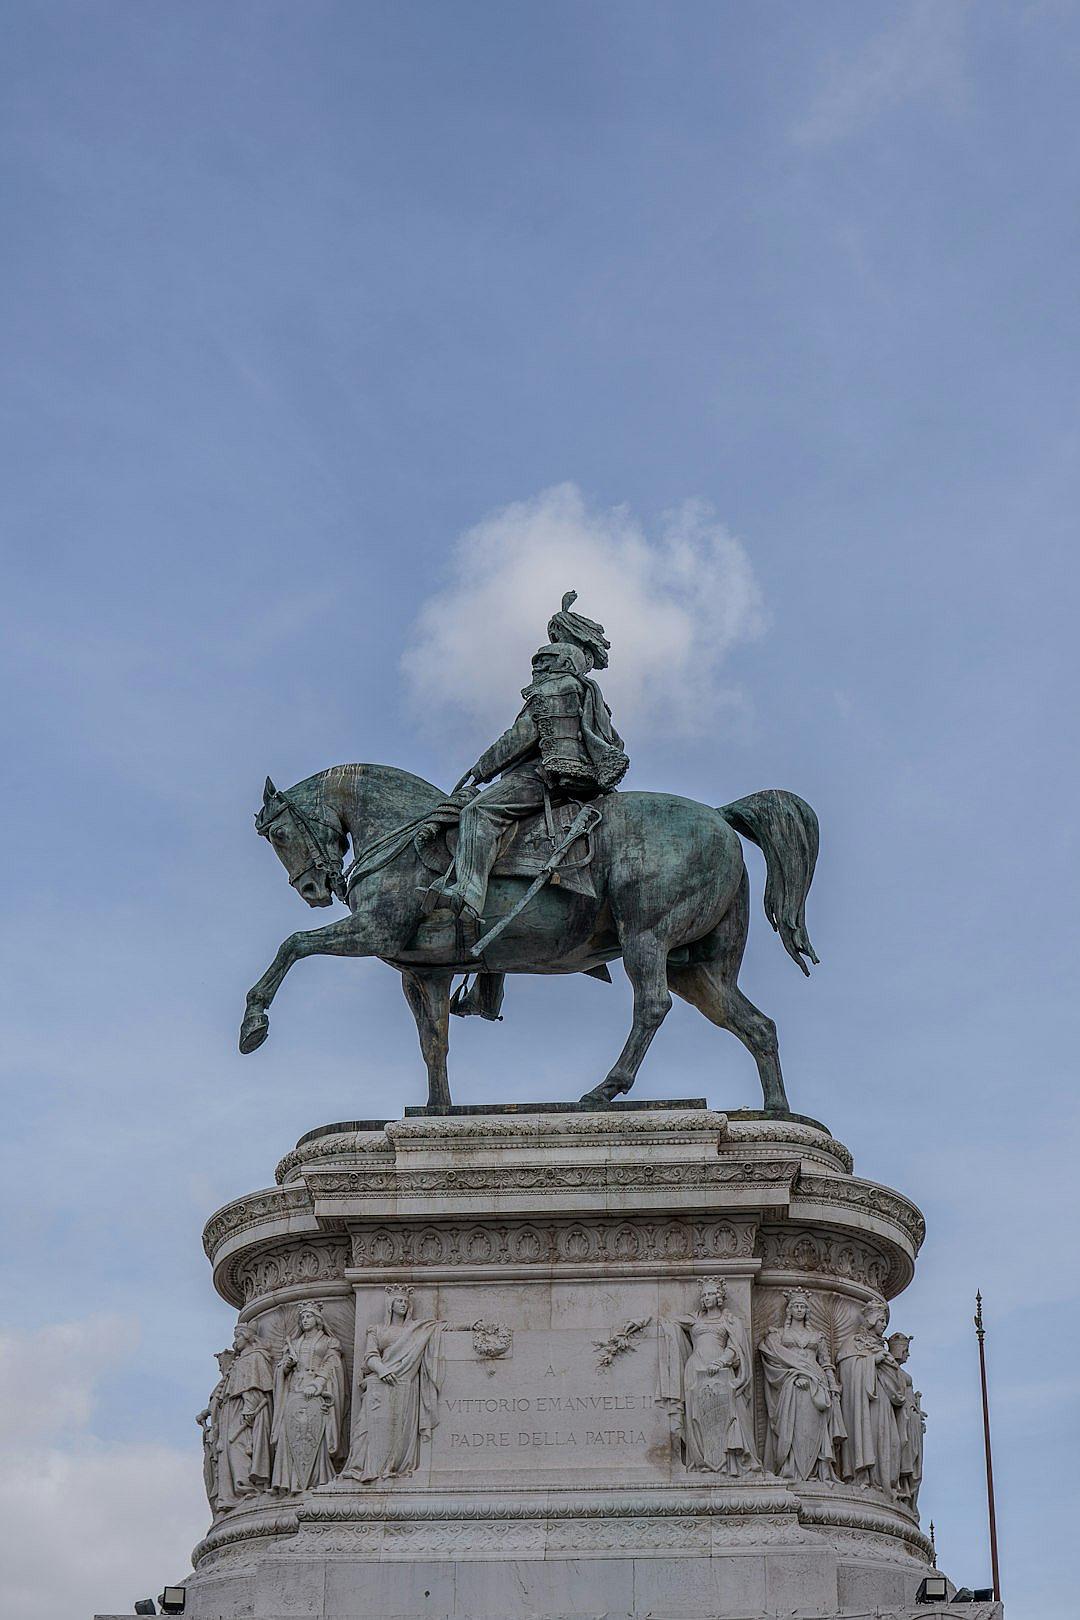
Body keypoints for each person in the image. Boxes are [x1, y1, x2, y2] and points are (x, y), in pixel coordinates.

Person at [432, 593, 628, 923]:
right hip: (582, 779)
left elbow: (521, 737)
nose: (537, 667)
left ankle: (468, 891)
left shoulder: (554, 687)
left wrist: (480, 769)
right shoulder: (584, 689)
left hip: (548, 775)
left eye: (541, 661)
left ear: (558, 659)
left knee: (478, 811)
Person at [658, 1279, 759, 1475]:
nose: (706, 1298)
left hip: (720, 1370)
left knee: (728, 1413)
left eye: (710, 1294)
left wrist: (721, 1362)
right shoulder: (695, 1318)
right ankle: (701, 1460)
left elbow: (735, 1347)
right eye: (703, 1295)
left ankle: (728, 1462)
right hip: (695, 1368)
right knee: (696, 1415)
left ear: (719, 1297)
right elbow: (669, 1323)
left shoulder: (729, 1321)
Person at [344, 1285, 444, 1481]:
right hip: (380, 1384)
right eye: (399, 1301)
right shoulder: (377, 1330)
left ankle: (393, 1467)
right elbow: (370, 1356)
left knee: (399, 1431)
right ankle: (361, 1466)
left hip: (405, 1384)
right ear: (390, 1304)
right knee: (363, 1429)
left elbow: (442, 1328)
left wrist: (470, 1326)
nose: (403, 1305)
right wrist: (382, 1369)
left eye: (406, 1302)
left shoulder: (416, 1328)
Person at [759, 1288, 846, 1482]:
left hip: (817, 1383)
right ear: (789, 1310)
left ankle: (816, 1471)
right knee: (794, 1428)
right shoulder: (778, 1335)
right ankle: (791, 1469)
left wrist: (832, 1386)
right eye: (796, 1306)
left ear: (807, 1311)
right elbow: (773, 1360)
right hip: (791, 1386)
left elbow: (825, 1363)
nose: (799, 1309)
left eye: (802, 1306)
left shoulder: (818, 1336)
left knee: (814, 1428)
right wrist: (792, 1375)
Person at [271, 1301, 346, 1493]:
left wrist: (318, 1383)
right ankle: (289, 1482)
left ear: (318, 1320)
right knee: (290, 1434)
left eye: (309, 1316)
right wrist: (287, 1365)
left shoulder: (329, 1342)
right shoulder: (294, 1344)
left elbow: (333, 1364)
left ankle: (318, 1479)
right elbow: (281, 1371)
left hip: (316, 1393)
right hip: (295, 1392)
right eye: (302, 1317)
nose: (305, 1320)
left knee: (314, 1435)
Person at [216, 1323, 274, 1509]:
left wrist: (249, 1409)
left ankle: (246, 1487)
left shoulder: (255, 1358)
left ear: (247, 1337)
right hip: (233, 1410)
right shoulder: (241, 1361)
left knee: (238, 1447)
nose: (235, 1342)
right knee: (228, 1449)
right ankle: (231, 1495)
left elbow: (254, 1387)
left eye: (237, 1337)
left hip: (243, 1412)